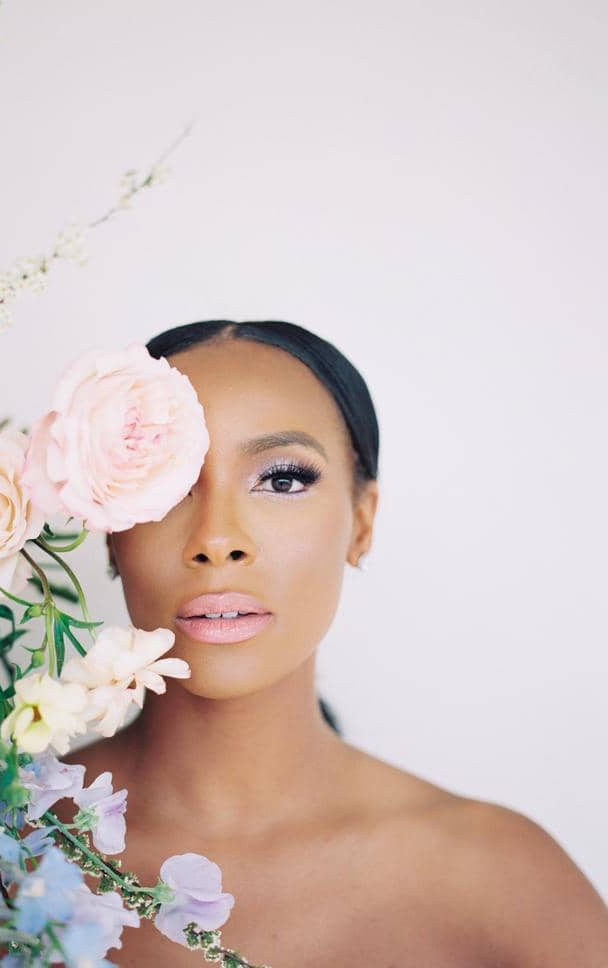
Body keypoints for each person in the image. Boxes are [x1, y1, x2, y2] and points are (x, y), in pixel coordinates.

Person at [58, 318, 608, 966]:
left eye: (283, 478)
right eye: (170, 483)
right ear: (110, 530)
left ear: (362, 523)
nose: (216, 538)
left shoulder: (501, 880)